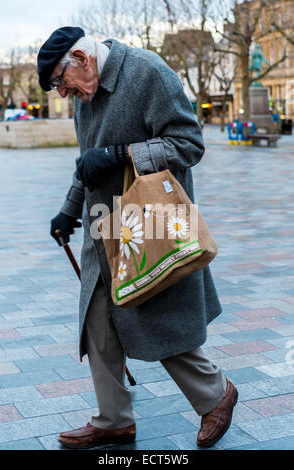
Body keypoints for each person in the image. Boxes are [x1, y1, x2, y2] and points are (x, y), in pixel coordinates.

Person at [37, 26, 238, 450]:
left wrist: (122, 154)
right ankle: (113, 419)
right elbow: (88, 164)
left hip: (148, 228)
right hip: (103, 229)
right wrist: (68, 211)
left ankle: (216, 395)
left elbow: (189, 143)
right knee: (97, 325)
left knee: (154, 321)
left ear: (82, 58)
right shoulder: (84, 95)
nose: (61, 92)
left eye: (60, 81)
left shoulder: (147, 71)